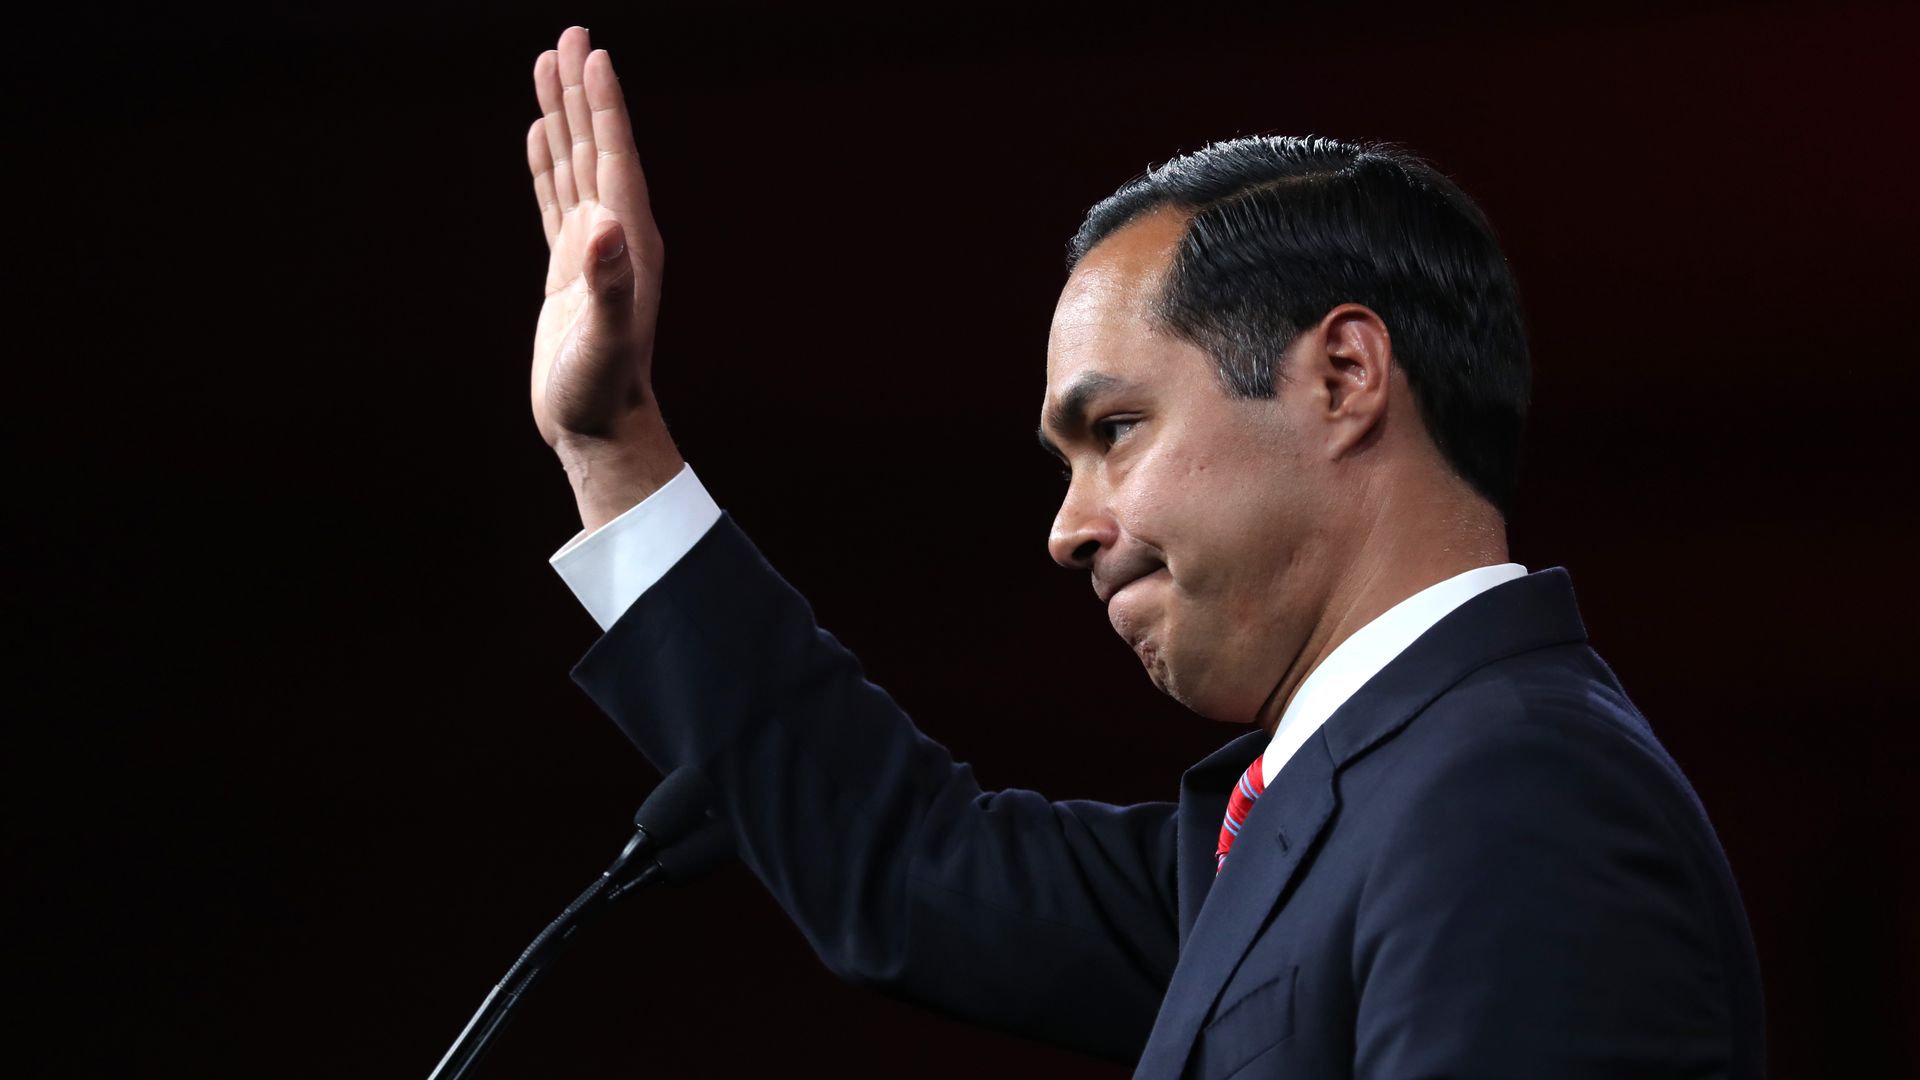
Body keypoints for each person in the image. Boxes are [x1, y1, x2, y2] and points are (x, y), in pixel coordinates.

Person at [522, 26, 1766, 1078]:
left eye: (1115, 429)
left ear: (1344, 376)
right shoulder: (1333, 812)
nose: (1067, 529)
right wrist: (611, 445)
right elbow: (911, 869)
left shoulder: (1517, 796)